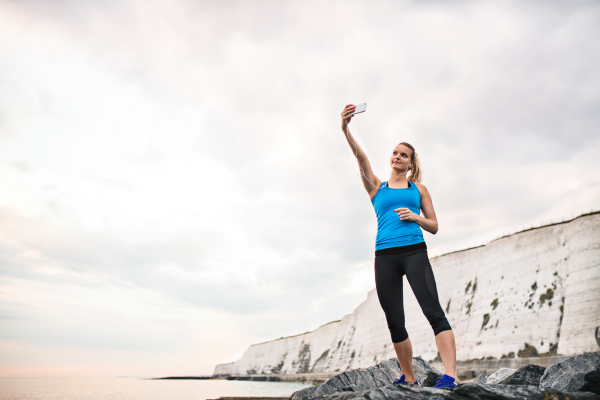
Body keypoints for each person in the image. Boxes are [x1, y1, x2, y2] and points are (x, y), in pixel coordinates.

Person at [340, 104, 458, 389]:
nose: (397, 157)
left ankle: (451, 376)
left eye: (403, 155)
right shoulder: (376, 187)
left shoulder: (419, 190)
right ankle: (409, 377)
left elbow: (434, 225)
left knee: (433, 311)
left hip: (414, 252)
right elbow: (360, 158)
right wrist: (345, 128)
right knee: (395, 320)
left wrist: (414, 216)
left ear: (410, 164)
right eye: (395, 152)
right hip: (384, 257)